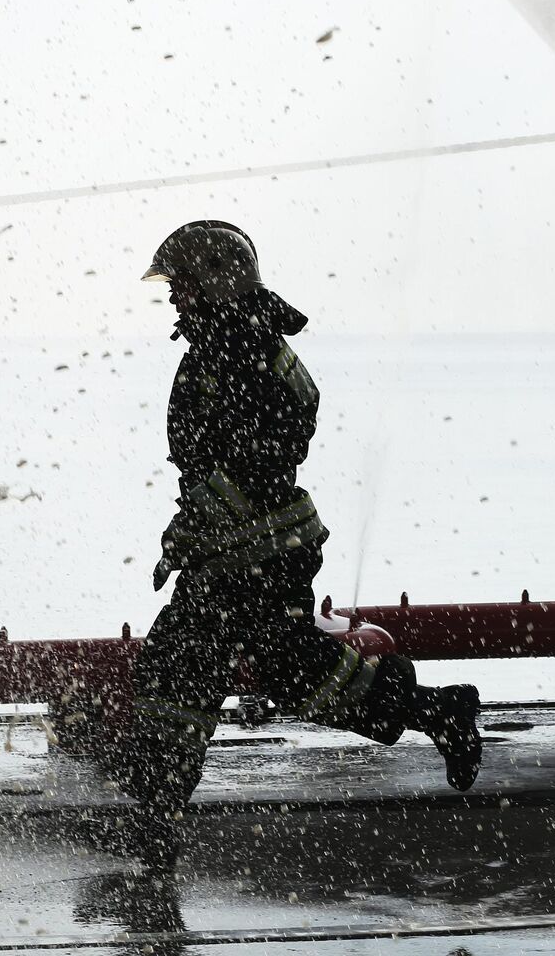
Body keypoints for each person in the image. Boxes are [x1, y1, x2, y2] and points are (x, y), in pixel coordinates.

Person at [96, 219, 482, 869]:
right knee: (219, 670)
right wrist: (197, 527)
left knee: (213, 670)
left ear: (216, 284)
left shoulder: (245, 349)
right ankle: (155, 820)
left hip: (260, 553)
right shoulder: (225, 342)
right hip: (239, 550)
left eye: (183, 285)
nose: (174, 298)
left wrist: (196, 525)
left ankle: (156, 825)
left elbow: (259, 463)